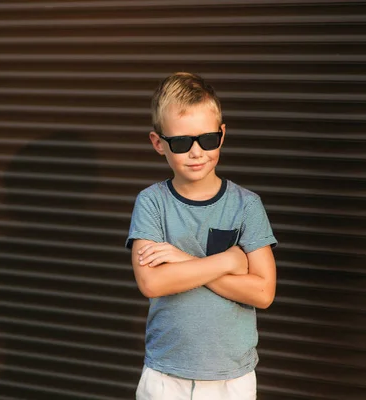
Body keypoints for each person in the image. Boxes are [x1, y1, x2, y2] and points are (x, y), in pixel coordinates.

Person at [126, 72, 278, 400]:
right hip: (167, 375)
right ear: (158, 143)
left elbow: (264, 292)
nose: (196, 152)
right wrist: (229, 260)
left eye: (207, 139)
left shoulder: (246, 205)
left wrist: (182, 261)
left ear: (222, 135)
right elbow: (152, 283)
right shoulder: (152, 203)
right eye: (181, 142)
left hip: (232, 378)